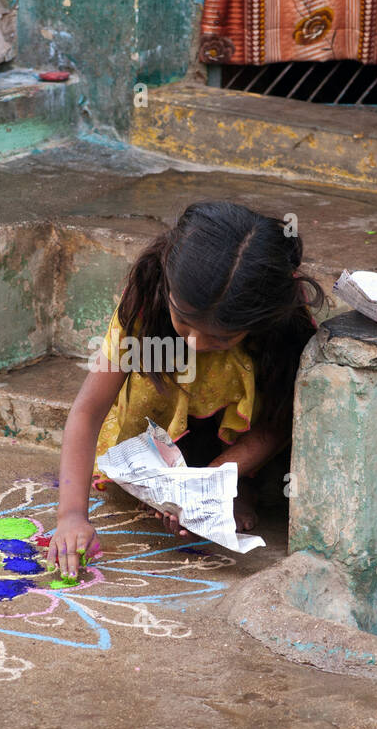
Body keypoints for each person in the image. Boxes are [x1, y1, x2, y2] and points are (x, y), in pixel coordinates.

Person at [46, 200, 323, 576]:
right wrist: (71, 515)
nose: (194, 342)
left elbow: (279, 423)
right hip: (164, 428)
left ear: (259, 322)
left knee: (275, 416)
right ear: (167, 284)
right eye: (184, 321)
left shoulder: (282, 330)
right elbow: (87, 410)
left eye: (220, 337)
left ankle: (239, 489)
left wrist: (208, 487)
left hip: (242, 440)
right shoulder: (147, 300)